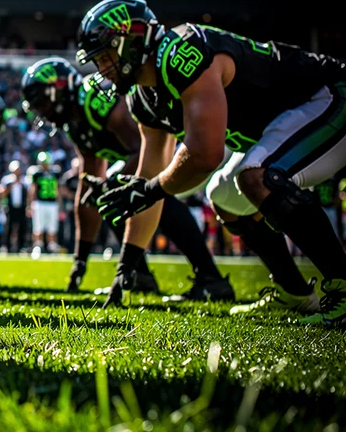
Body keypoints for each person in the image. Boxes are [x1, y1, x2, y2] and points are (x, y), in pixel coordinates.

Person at [77, 0, 346, 325]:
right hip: (279, 126)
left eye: (106, 57)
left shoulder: (182, 52)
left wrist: (149, 190)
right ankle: (294, 292)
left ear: (131, 42)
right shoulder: (143, 96)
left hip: (327, 99)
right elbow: (148, 176)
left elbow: (204, 155)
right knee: (224, 197)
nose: (103, 70)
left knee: (257, 177)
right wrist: (127, 267)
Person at [21, 56, 233, 301]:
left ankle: (210, 277)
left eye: (42, 104)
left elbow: (143, 148)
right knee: (110, 196)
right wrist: (80, 259)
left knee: (153, 195)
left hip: (181, 146)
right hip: (150, 157)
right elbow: (88, 185)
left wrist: (117, 184)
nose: (42, 113)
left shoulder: (93, 98)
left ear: (58, 92)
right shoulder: (75, 122)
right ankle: (138, 275)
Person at [27, 152, 62, 256]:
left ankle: (52, 246)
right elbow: (32, 190)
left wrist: (60, 206)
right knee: (38, 226)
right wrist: (30, 205)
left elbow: (57, 190)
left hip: (52, 203)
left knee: (52, 227)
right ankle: (37, 246)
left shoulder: (55, 173)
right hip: (40, 202)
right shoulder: (37, 174)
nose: (44, 165)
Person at [0, 160, 29, 253]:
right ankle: (7, 247)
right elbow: (2, 194)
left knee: (22, 228)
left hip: (21, 207)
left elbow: (29, 194)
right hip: (10, 207)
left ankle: (20, 247)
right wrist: (10, 186)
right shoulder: (7, 180)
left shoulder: (25, 180)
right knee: (8, 228)